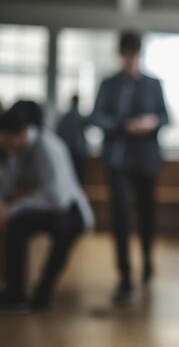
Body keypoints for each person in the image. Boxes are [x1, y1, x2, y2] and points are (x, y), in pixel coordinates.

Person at [90, 30, 169, 304]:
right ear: (121, 55)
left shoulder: (153, 84)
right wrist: (123, 125)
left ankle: (147, 260)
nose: (131, 61)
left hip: (146, 160)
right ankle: (124, 275)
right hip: (117, 160)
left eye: (134, 56)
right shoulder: (109, 84)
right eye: (127, 56)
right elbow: (96, 116)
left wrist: (151, 123)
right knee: (121, 217)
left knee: (147, 215)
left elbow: (165, 116)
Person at [0, 101, 94, 312]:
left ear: (23, 132)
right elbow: (6, 181)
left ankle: (43, 291)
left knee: (62, 231)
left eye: (7, 139)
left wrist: (13, 208)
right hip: (48, 207)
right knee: (16, 226)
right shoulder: (18, 149)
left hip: (70, 210)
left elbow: (57, 198)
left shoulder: (48, 147)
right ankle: (14, 291)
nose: (4, 144)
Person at [56, 94, 89, 184]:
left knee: (68, 177)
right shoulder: (80, 117)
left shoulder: (65, 118)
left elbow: (58, 133)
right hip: (78, 152)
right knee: (79, 178)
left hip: (68, 151)